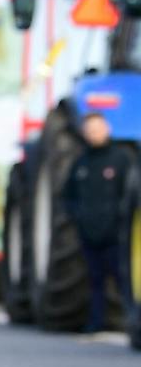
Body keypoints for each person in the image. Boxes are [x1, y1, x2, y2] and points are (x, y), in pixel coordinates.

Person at [61, 112, 132, 332]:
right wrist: (78, 217)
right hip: (89, 233)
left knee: (124, 281)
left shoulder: (121, 160)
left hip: (116, 235)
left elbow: (129, 195)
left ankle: (131, 321)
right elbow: (67, 196)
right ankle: (96, 322)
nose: (94, 134)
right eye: (90, 130)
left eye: (97, 129)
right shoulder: (80, 163)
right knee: (94, 281)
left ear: (107, 130)